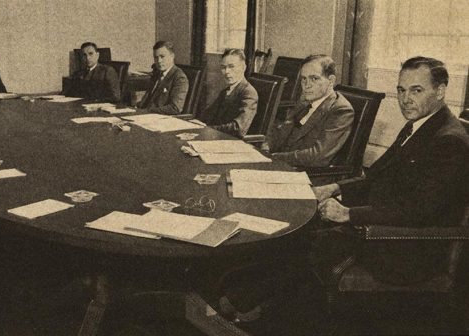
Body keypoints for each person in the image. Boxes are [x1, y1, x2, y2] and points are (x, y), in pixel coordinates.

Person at [215, 56, 469, 323]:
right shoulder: (418, 126)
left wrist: (349, 214)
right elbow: (374, 177)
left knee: (313, 242)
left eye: (416, 90)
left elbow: (417, 210)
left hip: (405, 245)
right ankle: (254, 304)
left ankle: (249, 306)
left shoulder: (448, 141)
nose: (406, 99)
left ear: (440, 91)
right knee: (303, 232)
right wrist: (334, 187)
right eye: (401, 90)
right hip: (383, 223)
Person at [267, 54, 354, 167]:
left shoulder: (341, 110)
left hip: (307, 173)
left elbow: (318, 157)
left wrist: (274, 157)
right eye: (304, 79)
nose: (306, 85)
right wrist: (265, 147)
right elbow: (281, 133)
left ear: (331, 80)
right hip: (283, 164)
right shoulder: (305, 101)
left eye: (314, 78)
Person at [197, 49, 258, 138]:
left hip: (234, 144)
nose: (226, 72)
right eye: (223, 67)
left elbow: (238, 129)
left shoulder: (248, 93)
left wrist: (207, 129)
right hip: (219, 138)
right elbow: (207, 115)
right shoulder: (225, 91)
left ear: (243, 68)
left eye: (231, 66)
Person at [136, 41, 188, 115]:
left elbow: (175, 108)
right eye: (156, 57)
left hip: (161, 119)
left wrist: (148, 111)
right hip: (146, 115)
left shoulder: (179, 77)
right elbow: (148, 99)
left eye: (162, 56)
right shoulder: (157, 74)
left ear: (172, 56)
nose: (159, 61)